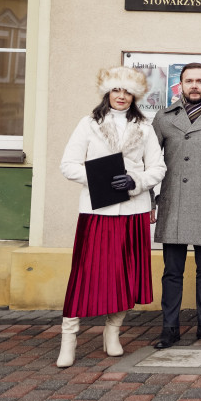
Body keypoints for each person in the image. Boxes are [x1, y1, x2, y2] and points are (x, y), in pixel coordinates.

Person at [56, 66, 166, 368]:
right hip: (97, 211)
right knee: (85, 273)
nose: (121, 96)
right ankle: (69, 337)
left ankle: (113, 332)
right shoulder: (89, 123)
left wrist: (136, 182)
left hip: (133, 211)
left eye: (127, 91)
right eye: (116, 90)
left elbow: (158, 168)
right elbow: (68, 165)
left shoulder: (145, 127)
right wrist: (101, 178)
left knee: (123, 273)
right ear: (108, 93)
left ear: (135, 95)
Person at [151, 63, 201, 349]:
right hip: (174, 202)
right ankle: (169, 327)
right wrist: (149, 201)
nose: (194, 85)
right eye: (188, 81)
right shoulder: (163, 118)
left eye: (200, 81)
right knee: (172, 271)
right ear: (179, 85)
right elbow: (147, 161)